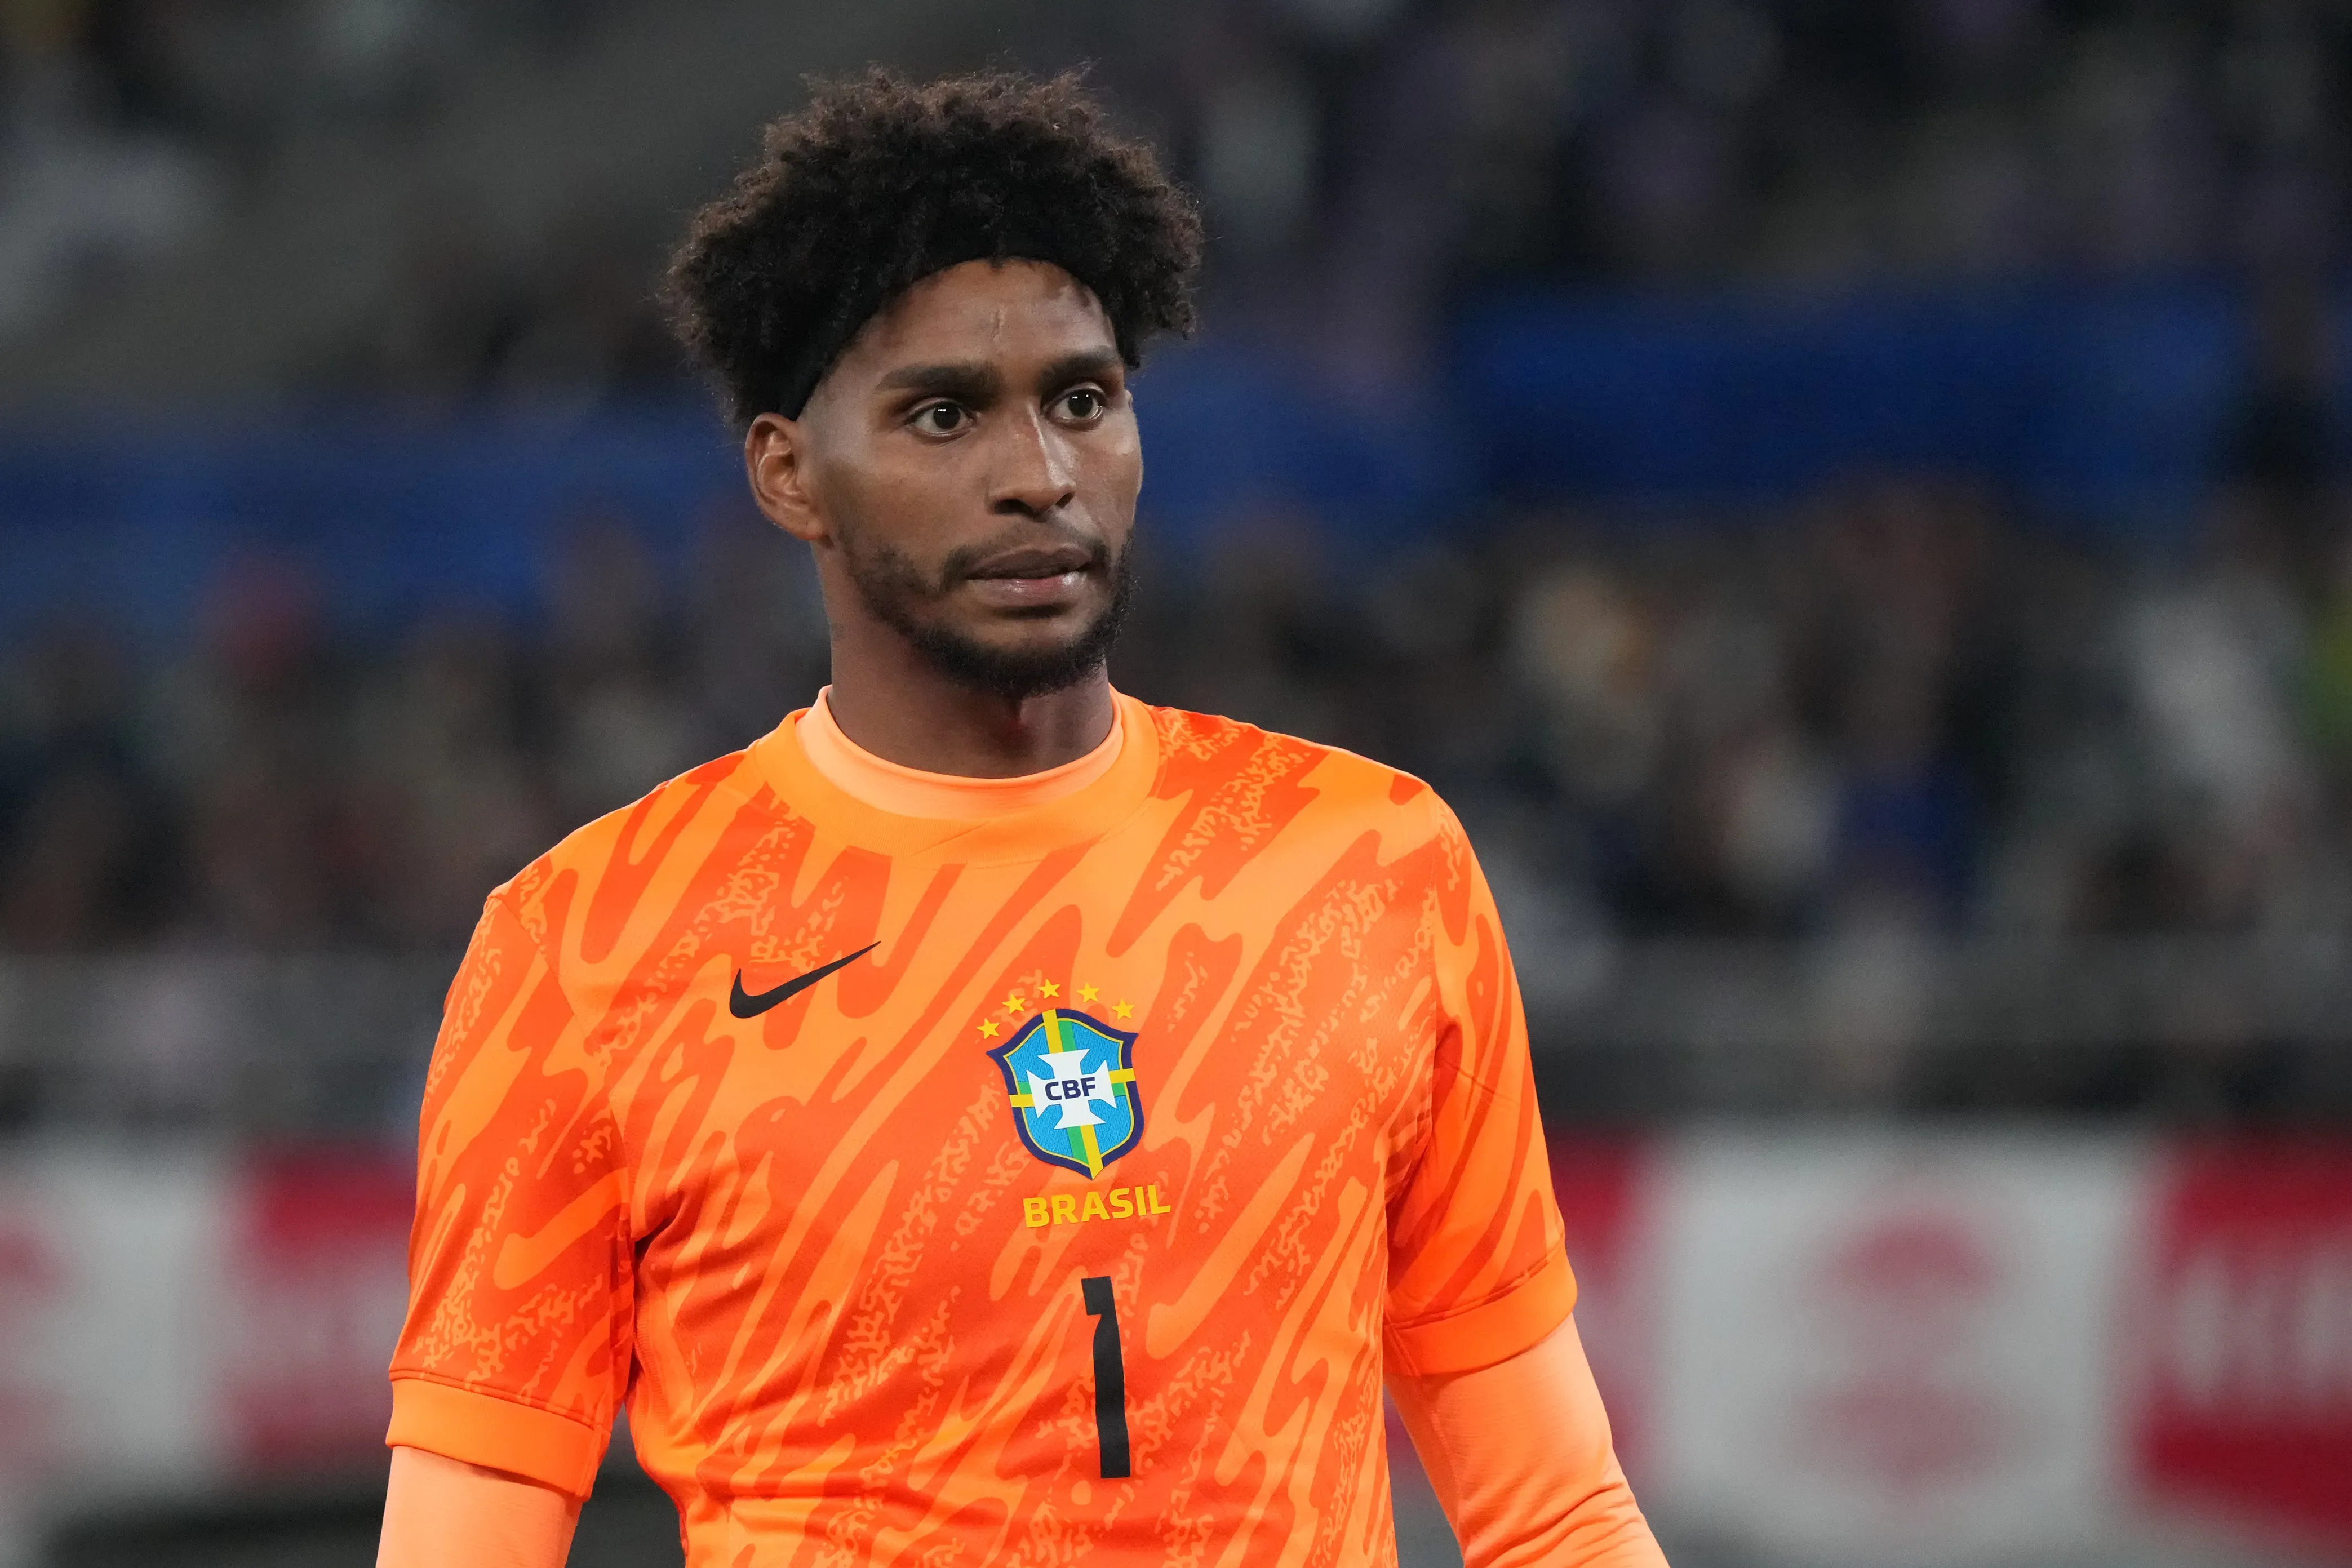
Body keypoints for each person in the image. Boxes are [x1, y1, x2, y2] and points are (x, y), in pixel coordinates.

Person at [376, 69, 1666, 1568]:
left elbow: (1552, 1506)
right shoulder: (587, 944)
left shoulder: (1369, 860)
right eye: (942, 414)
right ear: (789, 474)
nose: (1038, 476)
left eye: (1080, 398)